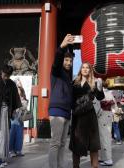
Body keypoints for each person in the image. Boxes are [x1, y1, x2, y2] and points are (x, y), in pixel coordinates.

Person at [69, 62, 104, 168]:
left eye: (87, 68)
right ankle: (76, 166)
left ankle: (95, 166)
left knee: (93, 145)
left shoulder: (94, 82)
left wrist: (100, 87)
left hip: (90, 115)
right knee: (77, 143)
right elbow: (70, 99)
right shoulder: (74, 82)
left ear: (90, 70)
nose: (85, 69)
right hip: (78, 116)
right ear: (80, 69)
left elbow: (100, 97)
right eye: (83, 67)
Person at [48, 34, 74, 168]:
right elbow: (57, 60)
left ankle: (60, 165)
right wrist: (62, 47)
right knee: (55, 142)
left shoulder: (68, 77)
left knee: (63, 143)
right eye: (66, 60)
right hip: (57, 111)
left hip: (66, 112)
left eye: (70, 61)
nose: (68, 63)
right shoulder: (56, 71)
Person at [97, 83, 116, 166]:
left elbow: (97, 105)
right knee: (103, 137)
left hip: (103, 114)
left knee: (105, 137)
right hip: (107, 114)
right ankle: (103, 157)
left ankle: (108, 158)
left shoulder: (104, 93)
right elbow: (114, 108)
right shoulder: (110, 93)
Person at [9, 79, 28, 157]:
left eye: (20, 87)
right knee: (12, 135)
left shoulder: (23, 97)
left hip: (20, 119)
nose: (19, 89)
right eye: (18, 87)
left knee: (19, 136)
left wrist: (24, 102)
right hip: (13, 118)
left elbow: (25, 105)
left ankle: (18, 150)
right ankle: (11, 150)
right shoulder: (11, 95)